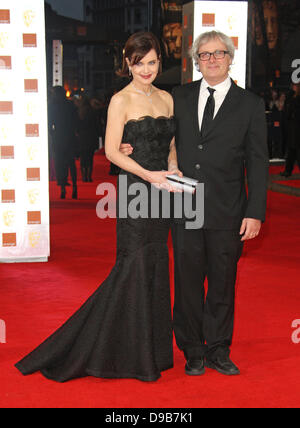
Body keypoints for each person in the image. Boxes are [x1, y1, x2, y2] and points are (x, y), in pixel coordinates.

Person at [15, 32, 182, 383]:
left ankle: (151, 348)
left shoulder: (167, 99)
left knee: (155, 262)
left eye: (152, 62)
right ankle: (120, 350)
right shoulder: (120, 100)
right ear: (127, 64)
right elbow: (110, 151)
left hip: (163, 192)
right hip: (137, 190)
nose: (146, 69)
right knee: (132, 263)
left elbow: (170, 146)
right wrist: (149, 176)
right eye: (139, 63)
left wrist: (173, 170)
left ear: (159, 62)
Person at [122, 31, 269, 377]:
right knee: (188, 281)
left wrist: (255, 212)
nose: (213, 60)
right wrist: (131, 149)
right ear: (196, 61)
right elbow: (161, 139)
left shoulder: (250, 104)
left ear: (231, 58)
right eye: (205, 55)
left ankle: (218, 348)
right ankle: (192, 349)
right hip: (186, 204)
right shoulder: (180, 96)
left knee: (222, 282)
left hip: (229, 208)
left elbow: (259, 161)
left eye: (219, 53)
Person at [48, 86, 78, 199]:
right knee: (71, 163)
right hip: (70, 136)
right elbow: (76, 121)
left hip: (58, 137)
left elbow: (50, 123)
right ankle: (74, 187)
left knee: (60, 163)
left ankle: (63, 188)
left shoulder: (52, 106)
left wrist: (52, 133)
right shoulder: (70, 105)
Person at [76, 96, 99, 182]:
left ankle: (83, 176)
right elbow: (96, 126)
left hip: (82, 138)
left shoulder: (79, 113)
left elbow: (77, 127)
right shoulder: (93, 112)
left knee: (83, 159)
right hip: (91, 137)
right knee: (90, 158)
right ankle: (89, 176)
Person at [280, 83, 300, 177]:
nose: (293, 87)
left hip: (296, 127)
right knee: (292, 150)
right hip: (292, 128)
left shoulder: (296, 98)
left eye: (295, 85)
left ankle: (288, 171)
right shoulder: (291, 96)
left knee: (295, 151)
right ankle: (288, 171)